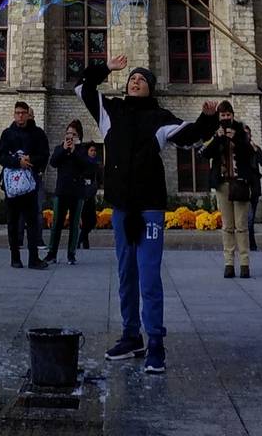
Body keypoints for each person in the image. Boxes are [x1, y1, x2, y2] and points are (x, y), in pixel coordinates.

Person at [79, 55, 217, 375]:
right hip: (122, 207)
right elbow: (82, 86)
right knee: (126, 274)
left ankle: (155, 341)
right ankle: (131, 336)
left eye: (141, 79)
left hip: (150, 208)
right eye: (132, 78)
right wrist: (106, 69)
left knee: (149, 276)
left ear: (150, 89)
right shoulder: (109, 111)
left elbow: (188, 133)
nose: (135, 81)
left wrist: (207, 118)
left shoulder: (159, 117)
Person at [201, 100, 255, 279]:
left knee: (241, 225)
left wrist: (237, 139)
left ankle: (245, 263)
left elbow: (250, 153)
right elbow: (204, 153)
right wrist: (217, 138)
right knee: (227, 225)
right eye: (222, 115)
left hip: (239, 183)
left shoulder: (240, 130)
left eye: (228, 115)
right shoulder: (215, 132)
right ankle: (229, 263)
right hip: (223, 184)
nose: (225, 118)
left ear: (233, 115)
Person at [0, 100, 50, 269]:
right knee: (12, 221)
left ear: (28, 114)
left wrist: (31, 161)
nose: (20, 116)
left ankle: (33, 258)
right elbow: (2, 157)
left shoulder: (37, 134)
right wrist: (17, 162)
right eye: (17, 113)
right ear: (14, 115)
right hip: (12, 186)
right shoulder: (7, 134)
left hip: (30, 185)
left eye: (23, 113)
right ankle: (15, 257)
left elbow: (44, 155)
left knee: (32, 221)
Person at [46, 121, 94, 263]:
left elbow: (86, 166)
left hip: (77, 192)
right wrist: (63, 149)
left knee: (74, 224)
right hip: (62, 190)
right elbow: (53, 162)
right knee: (57, 223)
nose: (70, 137)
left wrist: (73, 152)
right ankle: (52, 253)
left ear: (79, 136)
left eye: (73, 134)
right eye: (68, 133)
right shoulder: (59, 148)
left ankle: (71, 253)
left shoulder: (82, 151)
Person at [244, 124, 262, 252]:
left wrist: (257, 151)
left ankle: (252, 244)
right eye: (244, 134)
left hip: (253, 189)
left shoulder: (255, 149)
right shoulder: (237, 149)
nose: (246, 136)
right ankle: (244, 244)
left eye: (248, 134)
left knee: (250, 219)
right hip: (240, 189)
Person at [79, 141, 102, 248]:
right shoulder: (83, 163)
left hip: (91, 194)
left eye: (95, 151)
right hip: (83, 194)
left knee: (91, 220)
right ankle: (82, 242)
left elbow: (100, 178)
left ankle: (81, 241)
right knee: (86, 219)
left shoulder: (96, 164)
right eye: (91, 150)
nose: (93, 153)